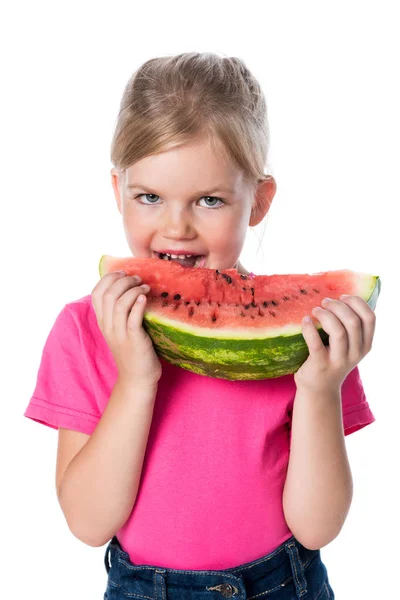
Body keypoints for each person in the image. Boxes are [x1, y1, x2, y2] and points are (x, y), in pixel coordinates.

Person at [24, 52, 377, 600]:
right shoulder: (83, 331)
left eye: (210, 200)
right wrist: (137, 381)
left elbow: (318, 527)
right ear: (117, 191)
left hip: (282, 584)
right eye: (149, 197)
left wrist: (320, 388)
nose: (176, 227)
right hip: (142, 588)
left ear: (258, 201)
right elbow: (88, 524)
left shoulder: (305, 340)